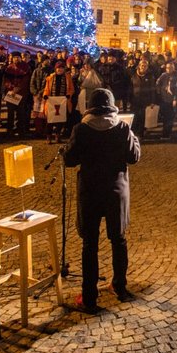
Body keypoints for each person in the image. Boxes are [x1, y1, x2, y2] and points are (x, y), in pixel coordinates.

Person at [64, 88, 141, 313]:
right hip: (116, 192)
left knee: (90, 244)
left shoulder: (82, 129)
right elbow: (134, 157)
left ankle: (89, 297)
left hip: (90, 192)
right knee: (118, 240)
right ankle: (120, 286)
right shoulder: (122, 127)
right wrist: (133, 138)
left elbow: (70, 159)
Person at [43, 61, 75, 143]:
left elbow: (71, 89)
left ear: (64, 69)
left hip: (63, 102)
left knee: (60, 119)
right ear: (55, 69)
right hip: (52, 101)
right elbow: (47, 89)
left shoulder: (68, 78)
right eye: (58, 68)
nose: (59, 70)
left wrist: (69, 95)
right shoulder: (50, 78)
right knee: (50, 120)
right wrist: (45, 95)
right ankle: (49, 137)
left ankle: (57, 136)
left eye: (61, 68)